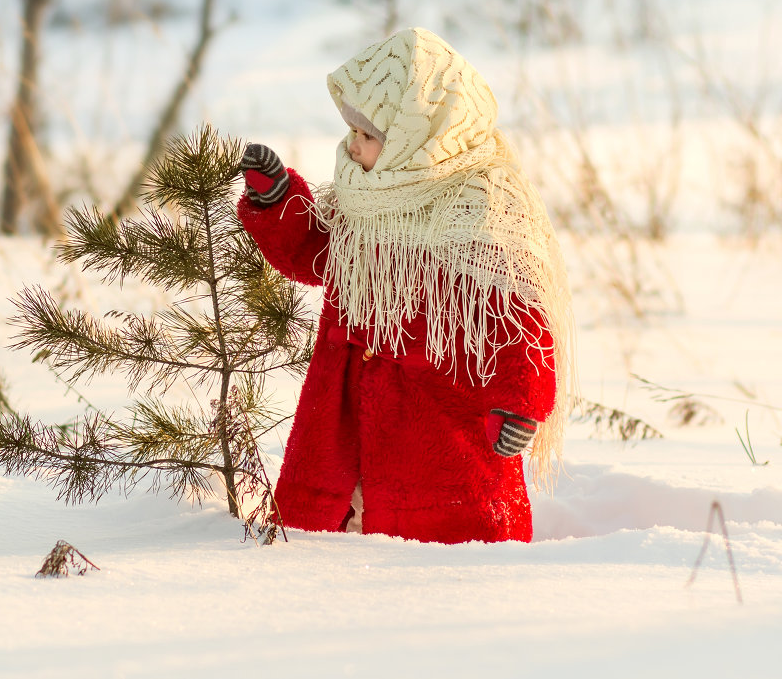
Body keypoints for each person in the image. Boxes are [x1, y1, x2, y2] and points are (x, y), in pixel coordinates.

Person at [237, 27, 573, 544]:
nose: (353, 146)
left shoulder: (478, 212)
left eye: (368, 136)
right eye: (352, 131)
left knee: (429, 555)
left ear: (420, 138)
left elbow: (519, 320)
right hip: (343, 420)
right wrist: (280, 203)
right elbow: (321, 254)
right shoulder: (366, 196)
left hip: (437, 432)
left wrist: (520, 400)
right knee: (320, 554)